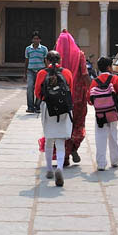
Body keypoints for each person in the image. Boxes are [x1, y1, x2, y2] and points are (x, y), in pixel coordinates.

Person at [35, 50, 74, 187]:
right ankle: (60, 168)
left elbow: (38, 93)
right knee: (60, 141)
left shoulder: (42, 73)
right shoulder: (67, 73)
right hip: (63, 109)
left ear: (46, 60)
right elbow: (71, 90)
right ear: (60, 60)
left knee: (49, 139)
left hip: (48, 109)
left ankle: (49, 169)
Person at [89, 56, 118, 170]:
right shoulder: (115, 79)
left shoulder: (95, 81)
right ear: (109, 67)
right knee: (113, 135)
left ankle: (101, 164)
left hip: (100, 115)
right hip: (113, 113)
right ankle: (115, 160)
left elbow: (89, 99)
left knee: (100, 136)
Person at [57, 30, 90, 165]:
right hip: (78, 98)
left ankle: (64, 156)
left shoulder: (56, 56)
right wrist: (92, 89)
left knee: (62, 126)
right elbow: (85, 74)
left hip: (60, 99)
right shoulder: (79, 55)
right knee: (77, 124)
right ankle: (73, 147)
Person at [24, 31, 48, 113]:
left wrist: (48, 71)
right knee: (30, 88)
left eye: (37, 39)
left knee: (40, 88)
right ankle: (30, 107)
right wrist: (25, 73)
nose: (36, 40)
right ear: (32, 40)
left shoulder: (44, 49)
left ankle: (37, 106)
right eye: (34, 39)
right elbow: (26, 61)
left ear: (40, 40)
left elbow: (46, 61)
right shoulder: (28, 49)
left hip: (41, 71)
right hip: (30, 71)